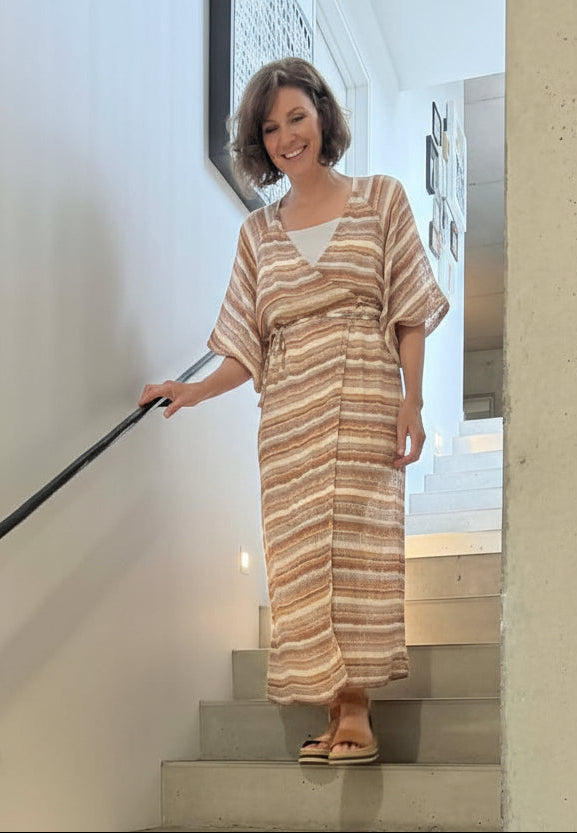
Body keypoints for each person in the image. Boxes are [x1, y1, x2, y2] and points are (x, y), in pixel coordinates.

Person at [138, 57, 449, 766]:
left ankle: (355, 708)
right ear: (260, 141)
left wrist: (412, 399)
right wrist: (188, 391)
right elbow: (245, 345)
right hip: (287, 413)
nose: (286, 136)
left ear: (323, 115)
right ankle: (329, 702)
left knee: (356, 550)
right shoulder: (256, 235)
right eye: (270, 127)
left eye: (296, 117)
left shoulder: (382, 199)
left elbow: (408, 310)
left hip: (367, 392)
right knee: (302, 558)